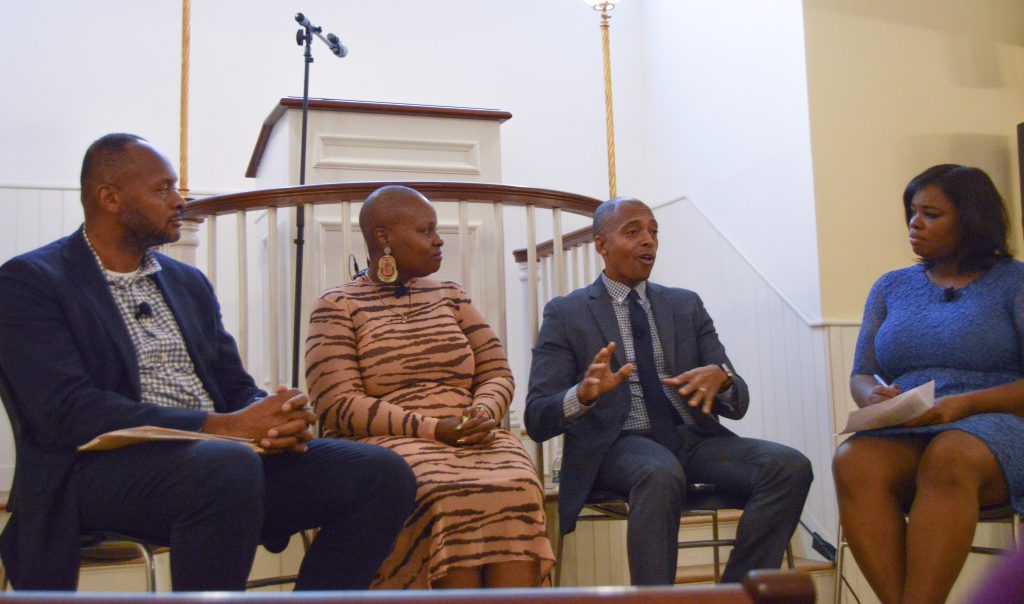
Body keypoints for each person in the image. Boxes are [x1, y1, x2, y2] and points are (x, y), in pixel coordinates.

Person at [0, 133, 416, 591]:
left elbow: (234, 387)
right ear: (110, 199)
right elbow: (66, 413)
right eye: (162, 190)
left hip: (218, 463)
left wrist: (271, 416)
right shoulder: (32, 281)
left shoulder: (186, 282)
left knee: (381, 473)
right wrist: (225, 427)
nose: (180, 200)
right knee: (222, 465)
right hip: (95, 472)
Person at [525, 197, 812, 586]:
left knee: (789, 466)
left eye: (654, 231)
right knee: (659, 472)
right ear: (601, 245)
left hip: (691, 440)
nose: (649, 240)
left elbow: (736, 397)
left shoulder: (685, 305)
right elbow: (537, 417)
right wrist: (584, 394)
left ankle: (736, 594)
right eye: (633, 231)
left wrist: (723, 379)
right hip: (617, 446)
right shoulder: (566, 313)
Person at [304, 185, 554, 589]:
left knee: (519, 483)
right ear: (383, 238)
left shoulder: (450, 295)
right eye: (427, 230)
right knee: (443, 490)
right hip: (389, 440)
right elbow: (338, 405)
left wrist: (484, 411)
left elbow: (496, 372)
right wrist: (433, 429)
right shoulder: (337, 306)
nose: (439, 240)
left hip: (472, 433)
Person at [833, 164, 1024, 604]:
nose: (915, 224)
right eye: (912, 213)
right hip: (910, 421)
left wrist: (966, 405)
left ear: (971, 220)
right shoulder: (891, 286)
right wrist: (873, 398)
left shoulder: (1014, 282)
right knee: (854, 459)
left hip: (996, 420)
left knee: (950, 454)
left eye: (931, 214)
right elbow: (863, 372)